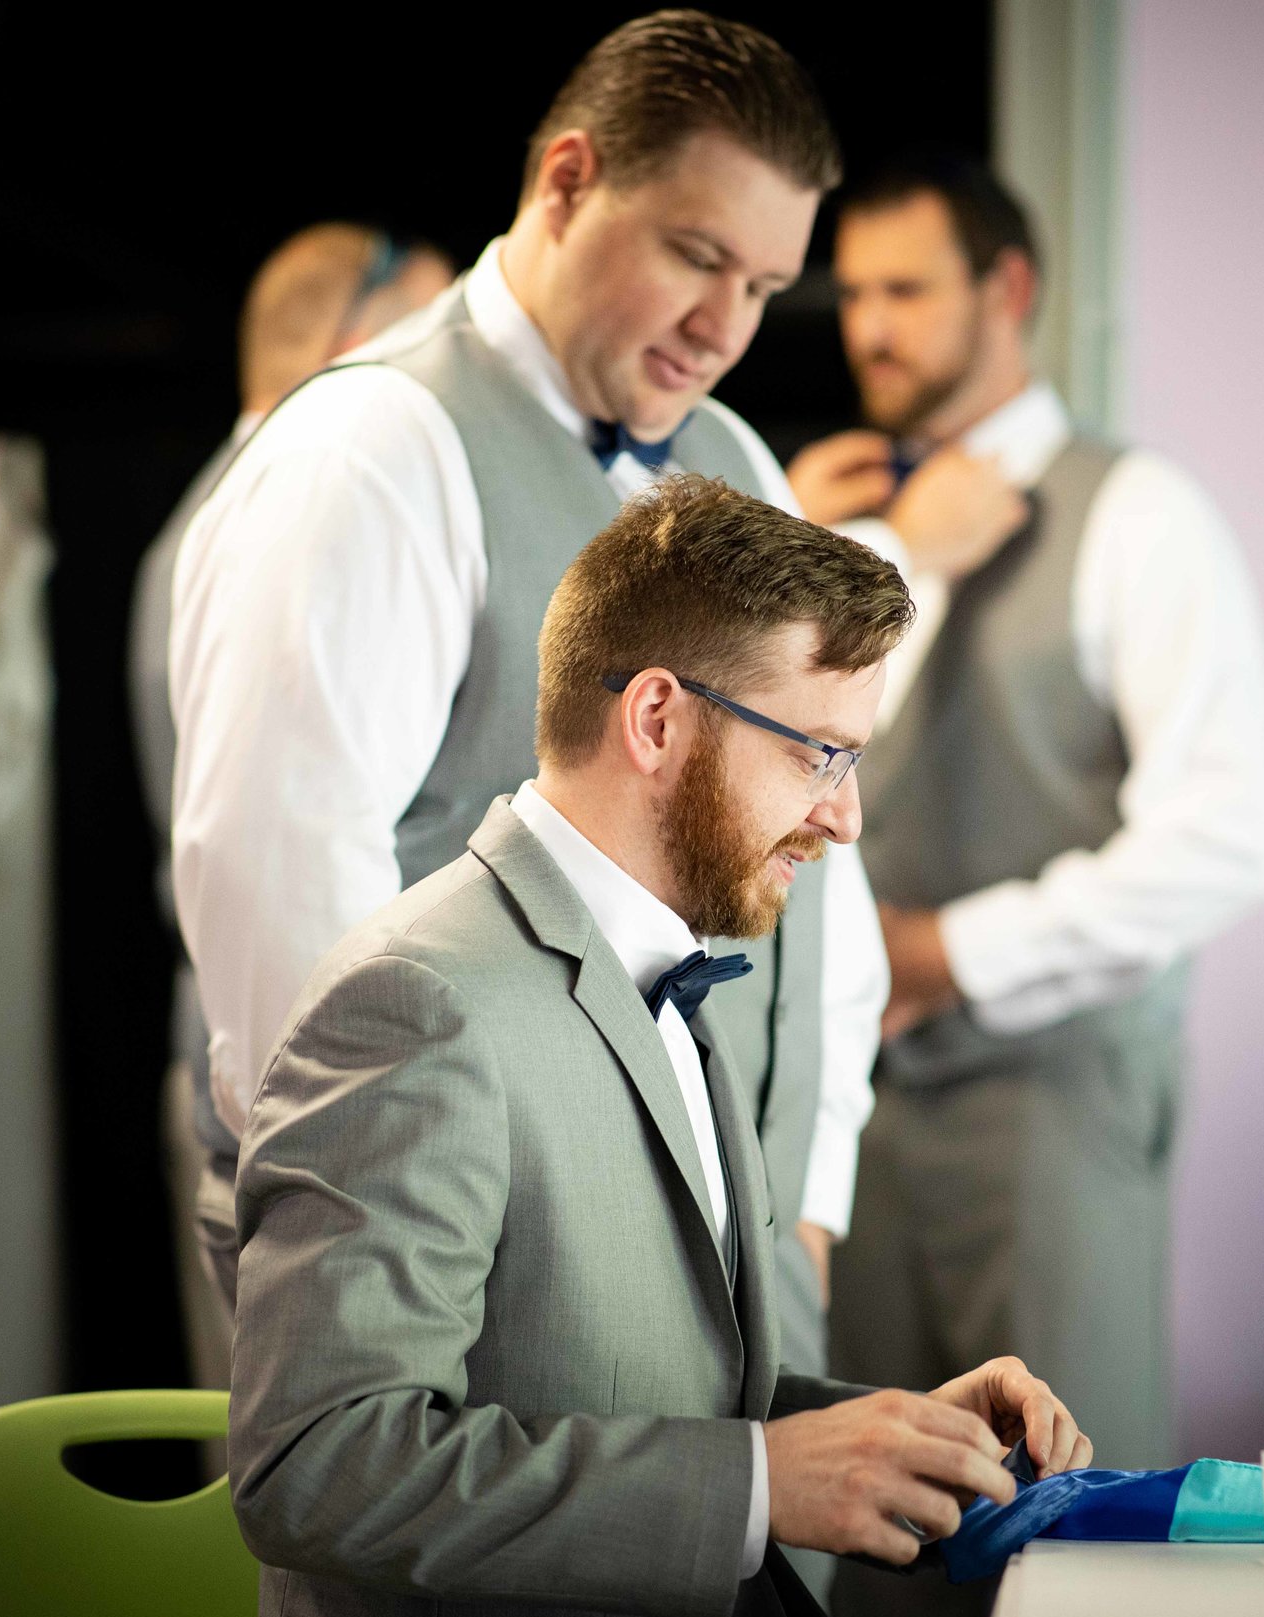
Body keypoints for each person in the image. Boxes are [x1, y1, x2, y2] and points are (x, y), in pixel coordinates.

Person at [227, 472, 1093, 1617]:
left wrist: (878, 1433)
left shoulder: (667, 960)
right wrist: (752, 1485)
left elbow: (625, 1393)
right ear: (655, 720)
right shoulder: (416, 1002)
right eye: (821, 755)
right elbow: (317, 1463)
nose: (842, 821)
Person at [171, 11, 884, 1410]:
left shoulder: (738, 458)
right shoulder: (373, 448)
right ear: (566, 181)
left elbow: (820, 854)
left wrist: (809, 1187)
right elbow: (282, 894)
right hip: (489, 1257)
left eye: (765, 282)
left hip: (745, 1251)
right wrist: (385, 1239)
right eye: (696, 255)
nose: (725, 326)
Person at [786, 153, 1264, 1617]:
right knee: (866, 1501)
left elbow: (1227, 835)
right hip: (849, 1101)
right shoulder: (826, 512)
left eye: (906, 289)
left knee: (1071, 1520)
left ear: (1006, 291)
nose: (869, 325)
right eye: (854, 290)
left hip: (1050, 1095)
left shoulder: (1139, 513)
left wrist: (952, 951)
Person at [130, 223, 451, 1387]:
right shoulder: (284, 511)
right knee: (290, 1495)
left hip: (266, 1083)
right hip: (280, 1103)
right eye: (435, 327)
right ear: (360, 343)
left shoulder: (221, 507)